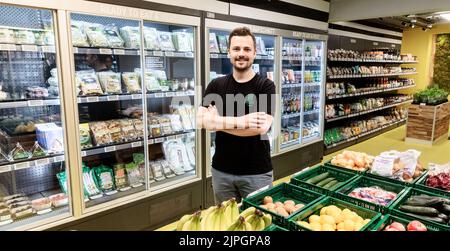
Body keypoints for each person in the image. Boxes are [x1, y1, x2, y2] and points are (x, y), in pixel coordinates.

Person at [197, 27, 275, 203]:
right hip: (221, 171)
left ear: (255, 53)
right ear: (229, 52)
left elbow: (260, 128)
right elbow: (201, 121)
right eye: (236, 49)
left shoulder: (265, 86)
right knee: (226, 223)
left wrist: (216, 122)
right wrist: (242, 121)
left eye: (247, 49)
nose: (241, 54)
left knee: (259, 223)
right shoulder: (216, 85)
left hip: (257, 172)